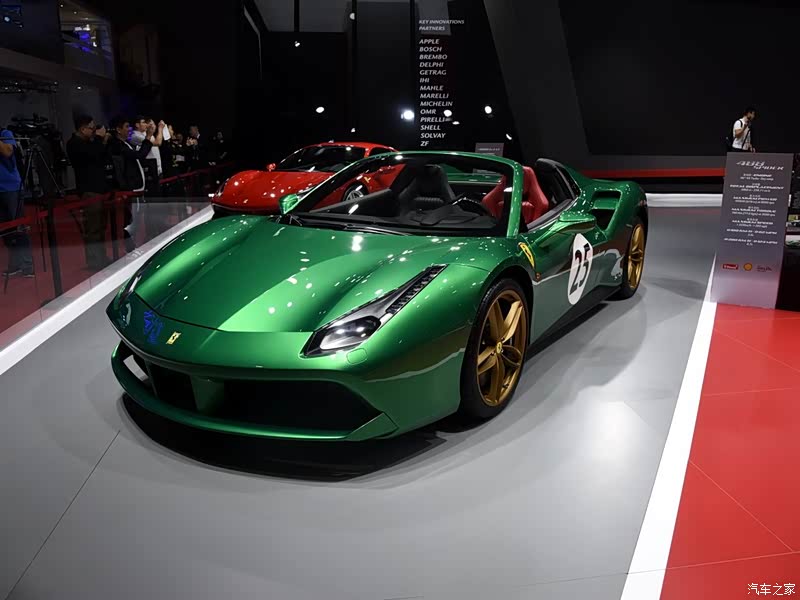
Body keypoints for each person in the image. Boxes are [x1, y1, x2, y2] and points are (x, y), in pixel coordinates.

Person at [66, 115, 113, 270]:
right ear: (82, 128)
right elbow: (91, 156)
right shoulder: (74, 144)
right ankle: (94, 261)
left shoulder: (89, 142)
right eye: (92, 128)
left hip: (99, 188)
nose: (94, 131)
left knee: (101, 226)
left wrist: (102, 141)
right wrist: (99, 139)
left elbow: (100, 157)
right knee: (93, 228)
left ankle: (101, 257)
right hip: (89, 190)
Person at [108, 116, 154, 250]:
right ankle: (129, 247)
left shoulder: (125, 143)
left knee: (135, 218)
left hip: (135, 187)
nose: (129, 130)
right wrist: (148, 137)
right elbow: (139, 155)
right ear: (118, 129)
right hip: (129, 188)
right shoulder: (117, 145)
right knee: (131, 220)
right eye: (127, 127)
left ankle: (132, 245)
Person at [0, 125, 34, 277]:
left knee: (18, 227)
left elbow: (7, 152)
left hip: (11, 188)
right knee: (5, 230)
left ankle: (27, 265)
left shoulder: (5, 133)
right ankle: (15, 264)